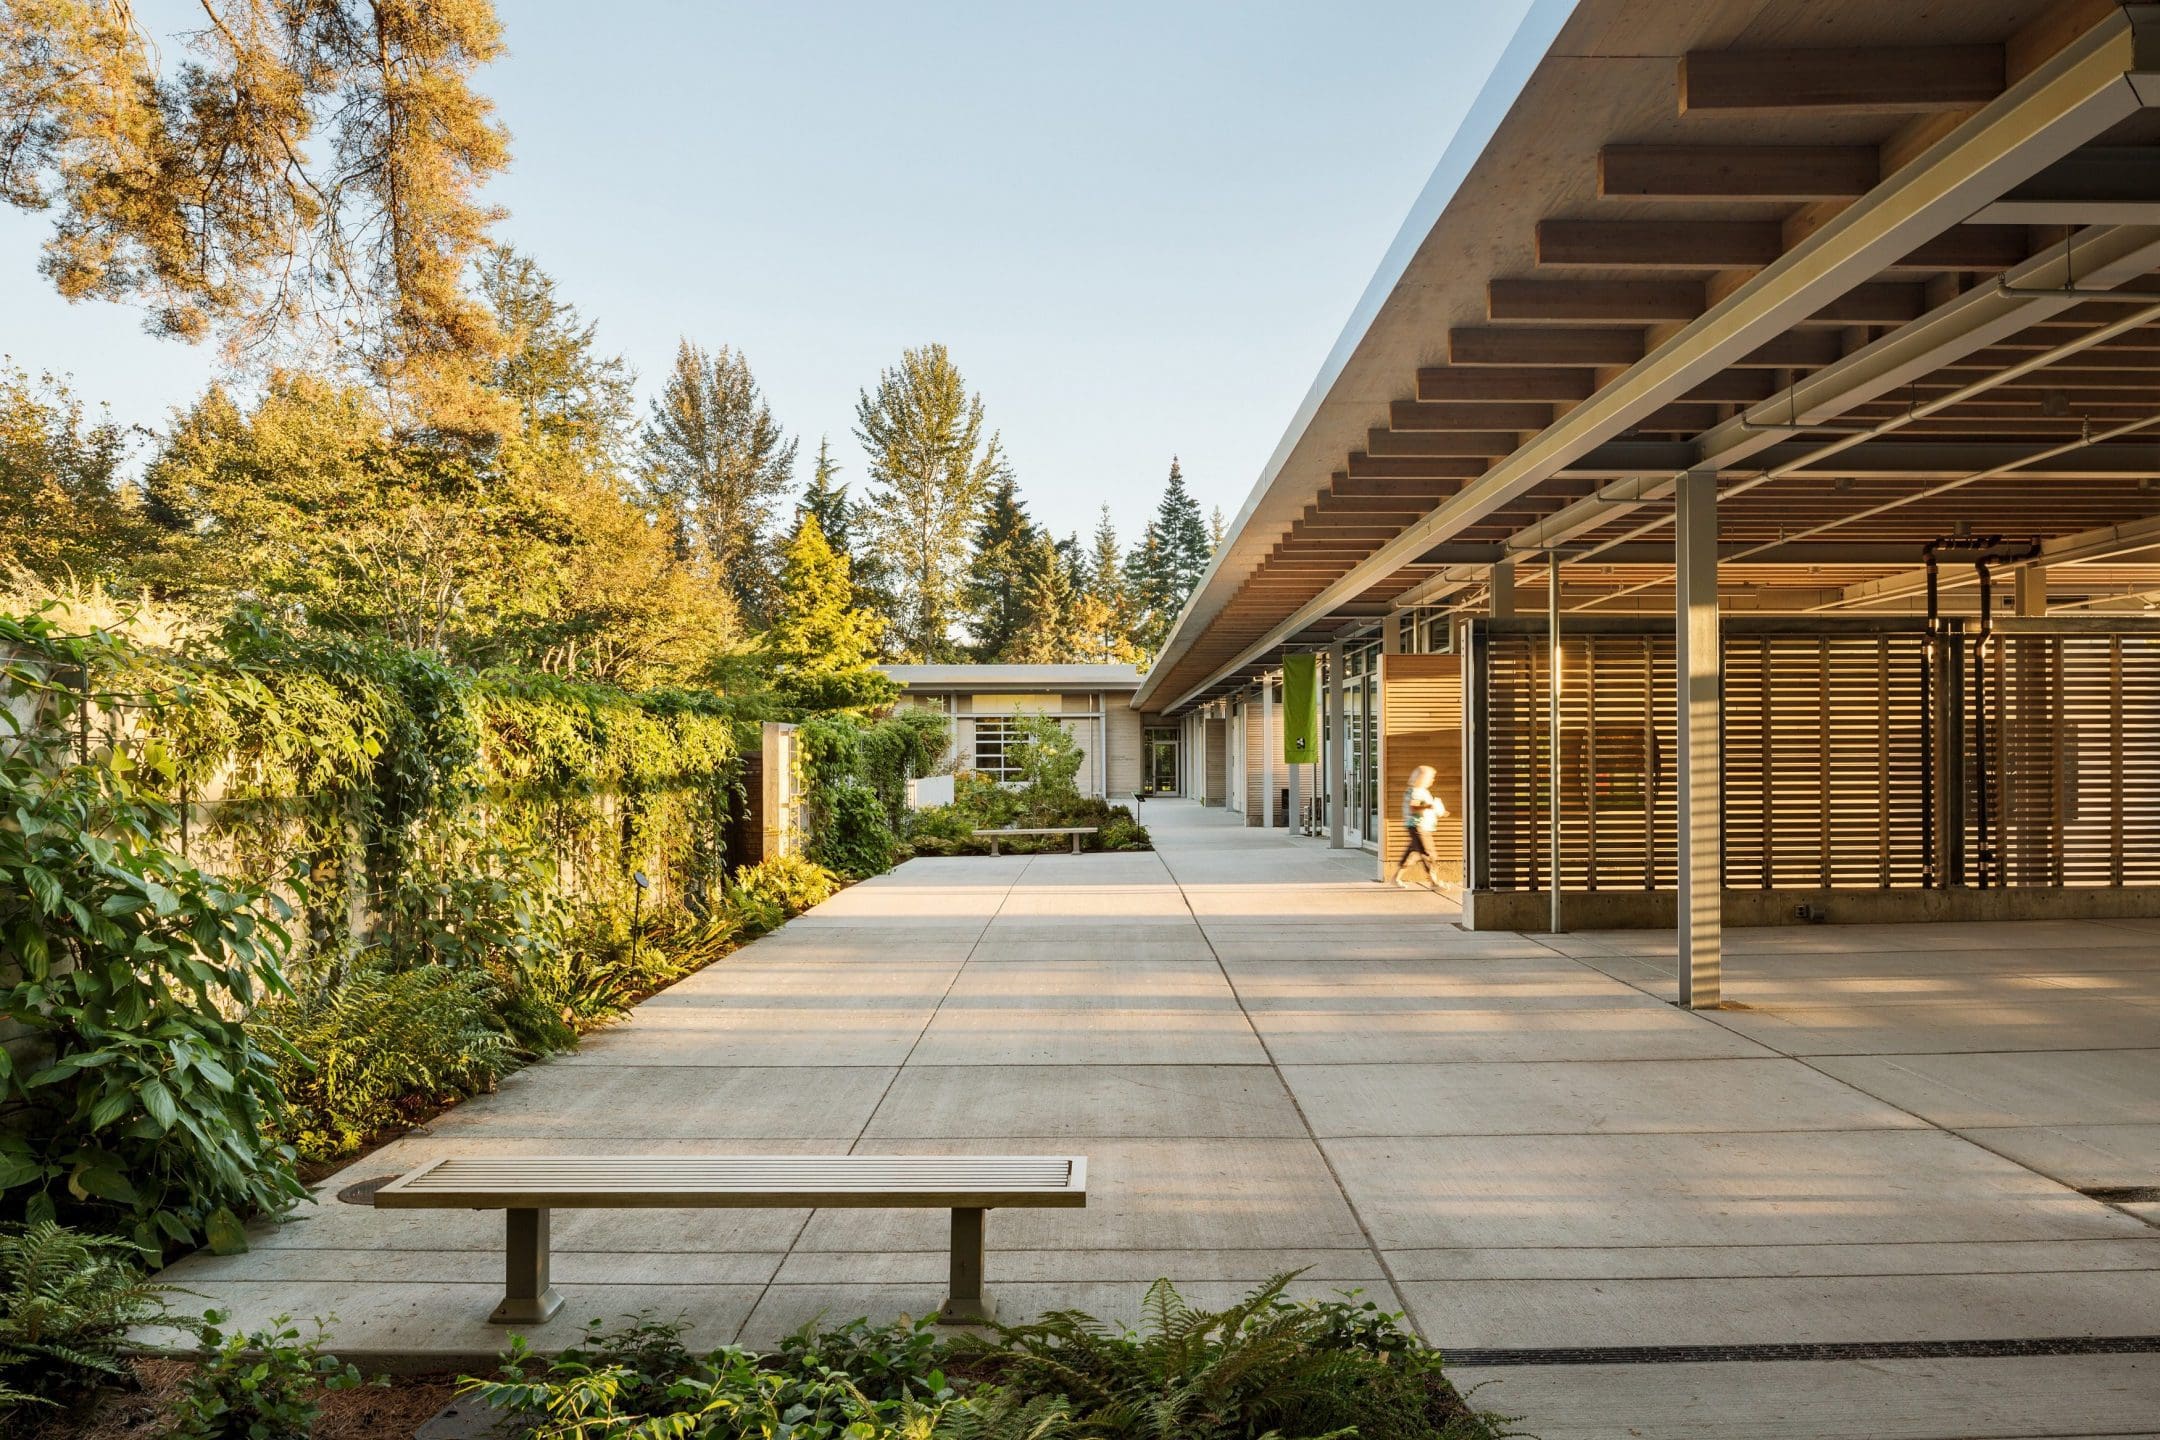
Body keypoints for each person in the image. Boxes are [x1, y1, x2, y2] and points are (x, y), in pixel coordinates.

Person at [1394, 764, 1447, 891]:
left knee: (1412, 853)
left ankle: (1396, 878)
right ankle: (1434, 882)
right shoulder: (1414, 791)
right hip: (1418, 826)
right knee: (1428, 853)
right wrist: (1429, 806)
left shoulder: (1423, 791)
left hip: (1423, 826)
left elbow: (1423, 807)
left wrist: (1438, 810)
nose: (1432, 780)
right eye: (1431, 777)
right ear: (1423, 778)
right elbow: (1413, 807)